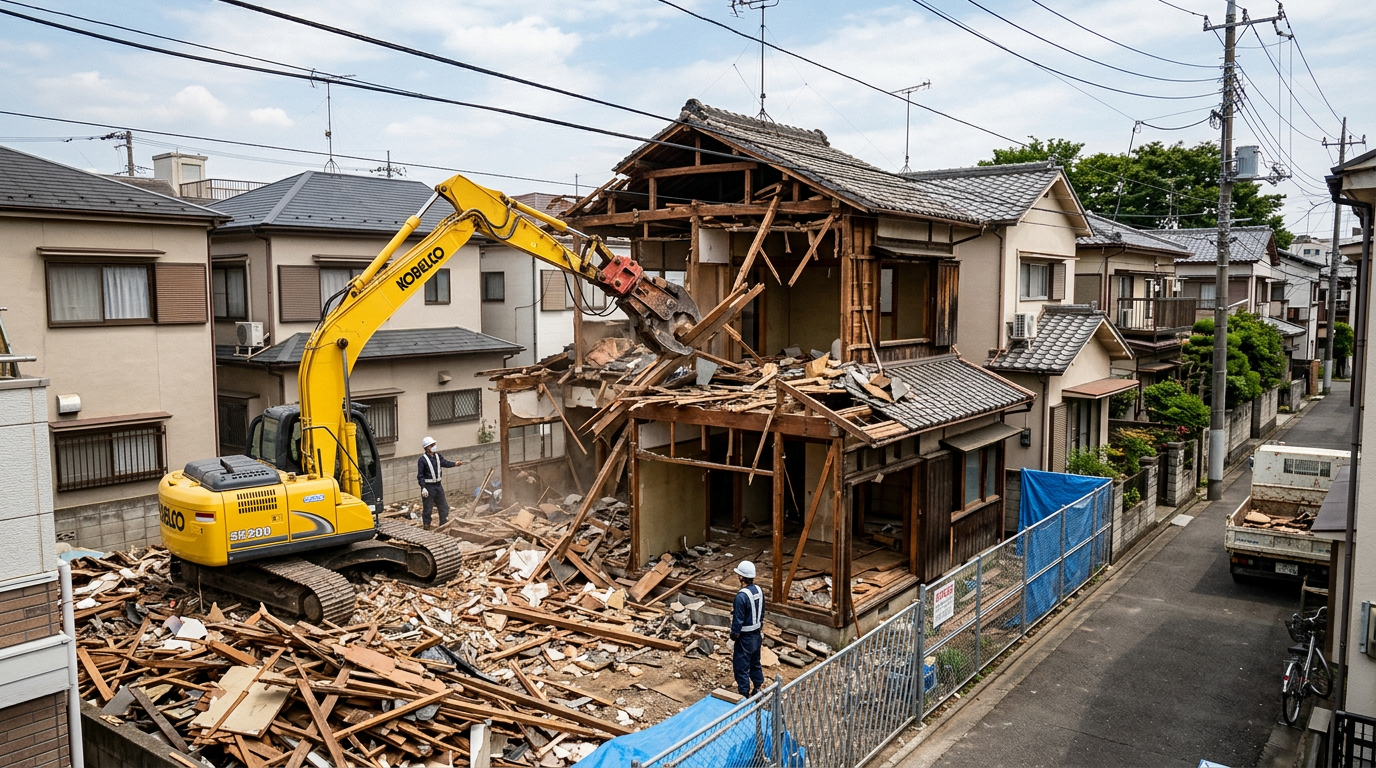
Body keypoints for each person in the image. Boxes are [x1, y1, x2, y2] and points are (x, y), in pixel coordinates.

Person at [730, 560, 765, 698]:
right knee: (755, 662)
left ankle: (744, 694)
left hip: (745, 637)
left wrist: (733, 636)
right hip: (757, 634)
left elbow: (738, 620)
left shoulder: (741, 597)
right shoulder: (759, 590)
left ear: (741, 577)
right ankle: (757, 686)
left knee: (741, 666)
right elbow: (762, 611)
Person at [416, 436, 461, 530]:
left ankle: (443, 524)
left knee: (443, 506)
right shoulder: (422, 460)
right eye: (432, 445)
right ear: (427, 448)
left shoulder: (438, 456)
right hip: (428, 487)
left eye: (434, 444)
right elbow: (420, 475)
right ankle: (426, 526)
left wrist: (454, 464)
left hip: (438, 486)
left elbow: (445, 463)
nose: (434, 446)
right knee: (428, 509)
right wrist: (423, 487)